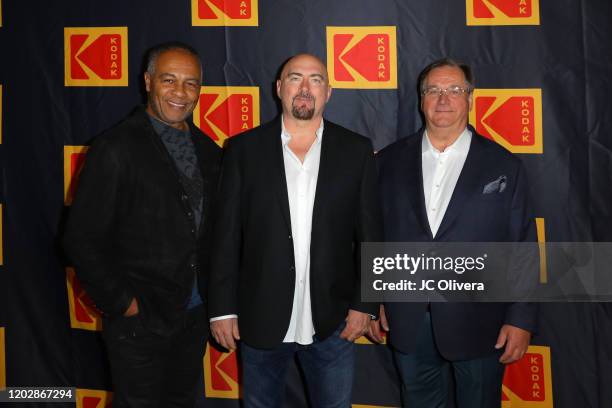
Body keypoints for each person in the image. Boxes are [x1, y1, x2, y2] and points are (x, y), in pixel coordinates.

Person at [208, 53, 382, 408]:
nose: (305, 88)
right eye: (295, 78)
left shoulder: (356, 150)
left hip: (334, 322)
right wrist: (222, 309)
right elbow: (225, 236)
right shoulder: (243, 150)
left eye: (315, 79)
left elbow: (371, 234)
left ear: (329, 91)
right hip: (259, 317)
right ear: (278, 88)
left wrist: (365, 303)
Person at [372, 58, 538, 407]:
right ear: (421, 100)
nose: (443, 98)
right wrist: (374, 302)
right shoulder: (385, 163)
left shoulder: (504, 165)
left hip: (481, 322)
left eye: (454, 90)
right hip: (408, 319)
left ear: (470, 97)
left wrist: (520, 318)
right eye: (434, 90)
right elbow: (374, 236)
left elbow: (523, 247)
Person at [63, 42, 221, 407]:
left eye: (191, 83)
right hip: (140, 321)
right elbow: (81, 238)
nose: (180, 93)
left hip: (193, 316)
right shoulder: (115, 148)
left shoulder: (209, 151)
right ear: (148, 81)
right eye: (169, 80)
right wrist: (124, 303)